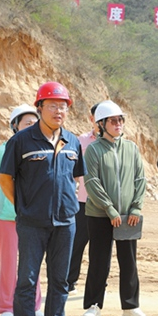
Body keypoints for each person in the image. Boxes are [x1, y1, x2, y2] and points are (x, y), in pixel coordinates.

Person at [0, 82, 85, 316]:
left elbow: (75, 177)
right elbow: (4, 178)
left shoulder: (72, 141)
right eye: (53, 106)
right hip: (32, 222)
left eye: (63, 106)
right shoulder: (21, 141)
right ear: (39, 108)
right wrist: (23, 205)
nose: (59, 111)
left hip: (66, 221)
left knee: (60, 279)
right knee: (28, 279)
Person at [80, 101, 147, 316]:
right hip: (99, 215)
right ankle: (93, 306)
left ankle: (130, 306)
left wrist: (136, 207)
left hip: (128, 215)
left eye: (120, 120)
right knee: (99, 261)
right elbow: (91, 181)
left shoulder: (131, 148)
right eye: (113, 121)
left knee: (129, 261)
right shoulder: (93, 150)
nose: (118, 124)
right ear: (101, 124)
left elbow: (140, 179)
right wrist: (109, 208)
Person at [0, 104, 43, 316]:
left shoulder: (40, 149)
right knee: (9, 263)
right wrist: (5, 202)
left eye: (35, 123)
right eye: (27, 123)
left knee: (32, 262)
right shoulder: (3, 150)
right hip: (7, 217)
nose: (32, 126)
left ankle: (33, 305)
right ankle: (6, 306)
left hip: (33, 216)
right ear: (15, 126)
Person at [67, 101, 102, 294]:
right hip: (83, 201)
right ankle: (69, 281)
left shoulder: (117, 142)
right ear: (91, 119)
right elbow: (72, 170)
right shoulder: (81, 141)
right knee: (77, 242)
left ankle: (98, 285)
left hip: (108, 203)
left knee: (100, 247)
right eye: (98, 118)